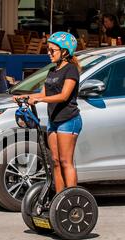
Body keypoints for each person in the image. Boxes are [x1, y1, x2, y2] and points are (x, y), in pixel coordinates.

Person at [13, 32, 81, 194]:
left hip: (68, 119)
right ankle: (59, 198)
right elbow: (43, 93)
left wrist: (40, 100)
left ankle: (71, 198)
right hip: (54, 120)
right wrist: (26, 96)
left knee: (65, 161)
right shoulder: (53, 71)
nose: (49, 53)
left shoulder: (71, 70)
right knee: (55, 161)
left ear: (65, 52)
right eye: (48, 50)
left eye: (53, 50)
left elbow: (64, 96)